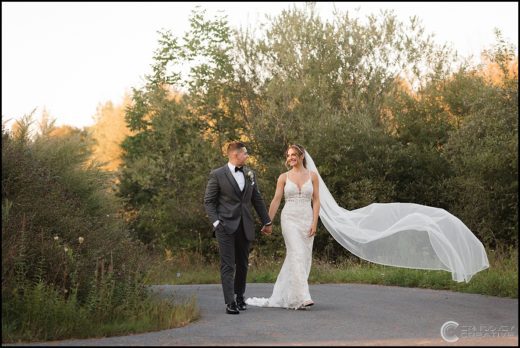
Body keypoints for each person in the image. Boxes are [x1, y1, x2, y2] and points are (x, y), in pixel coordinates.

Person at [246, 144, 320, 310]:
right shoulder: (283, 177)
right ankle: (304, 296)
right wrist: (268, 221)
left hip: (307, 220)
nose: (290, 158)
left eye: (294, 154)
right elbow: (276, 200)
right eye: (288, 155)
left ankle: (292, 297)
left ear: (302, 156)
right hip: (290, 219)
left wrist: (315, 222)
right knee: (297, 253)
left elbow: (316, 200)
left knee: (303, 258)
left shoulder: (313, 176)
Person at [204, 141, 273, 315]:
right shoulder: (217, 174)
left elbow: (256, 199)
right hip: (225, 227)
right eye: (245, 153)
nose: (247, 156)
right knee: (228, 265)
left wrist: (267, 221)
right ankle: (230, 302)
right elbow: (209, 201)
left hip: (245, 225)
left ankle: (240, 296)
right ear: (235, 154)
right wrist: (216, 223)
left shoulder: (250, 173)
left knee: (243, 264)